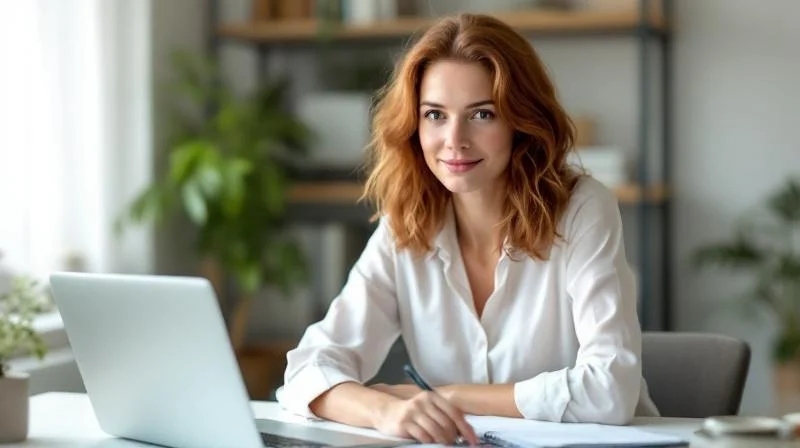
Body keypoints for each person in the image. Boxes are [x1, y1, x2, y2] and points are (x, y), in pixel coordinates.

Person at [277, 12, 659, 445]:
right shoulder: (405, 226)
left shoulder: (582, 209)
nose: (454, 139)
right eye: (435, 115)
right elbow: (306, 372)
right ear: (413, 125)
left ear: (521, 121)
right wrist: (386, 410)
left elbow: (610, 392)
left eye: (482, 114)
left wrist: (446, 397)